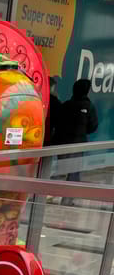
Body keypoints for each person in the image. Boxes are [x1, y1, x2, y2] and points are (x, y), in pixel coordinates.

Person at [54, 78, 98, 206]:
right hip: (77, 144)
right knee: (73, 172)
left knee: (61, 169)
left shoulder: (66, 105)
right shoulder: (88, 106)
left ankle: (49, 195)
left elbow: (58, 122)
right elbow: (93, 126)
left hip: (63, 143)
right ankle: (67, 199)